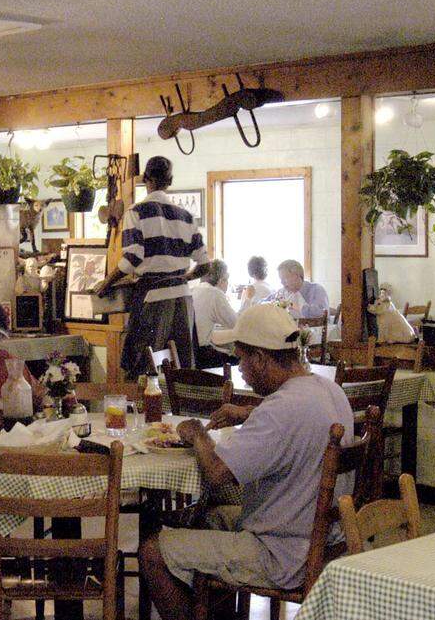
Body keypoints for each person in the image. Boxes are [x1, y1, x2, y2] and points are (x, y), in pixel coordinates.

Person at [138, 304, 354, 620]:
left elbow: (217, 472)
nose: (240, 368)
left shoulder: (279, 411)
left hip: (280, 554)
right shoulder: (328, 390)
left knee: (152, 551)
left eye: (241, 358)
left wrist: (197, 432)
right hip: (323, 542)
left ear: (261, 358)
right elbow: (295, 424)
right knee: (208, 517)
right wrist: (250, 413)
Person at [93, 156, 211, 376]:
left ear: (145, 179)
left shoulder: (136, 212)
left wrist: (106, 283)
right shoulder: (186, 217)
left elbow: (132, 259)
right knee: (182, 370)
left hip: (152, 298)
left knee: (143, 368)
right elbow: (205, 266)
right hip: (183, 300)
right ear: (170, 181)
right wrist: (181, 278)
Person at [190, 259, 239, 369]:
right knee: (241, 358)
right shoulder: (215, 293)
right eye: (226, 279)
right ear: (221, 279)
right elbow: (237, 324)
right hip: (203, 356)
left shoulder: (193, 290)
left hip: (191, 353)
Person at [264, 259, 329, 318]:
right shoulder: (282, 291)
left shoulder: (316, 290)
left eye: (284, 279)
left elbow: (321, 313)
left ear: (296, 276)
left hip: (312, 327)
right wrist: (273, 304)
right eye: (281, 279)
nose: (282, 282)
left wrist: (295, 306)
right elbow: (263, 302)